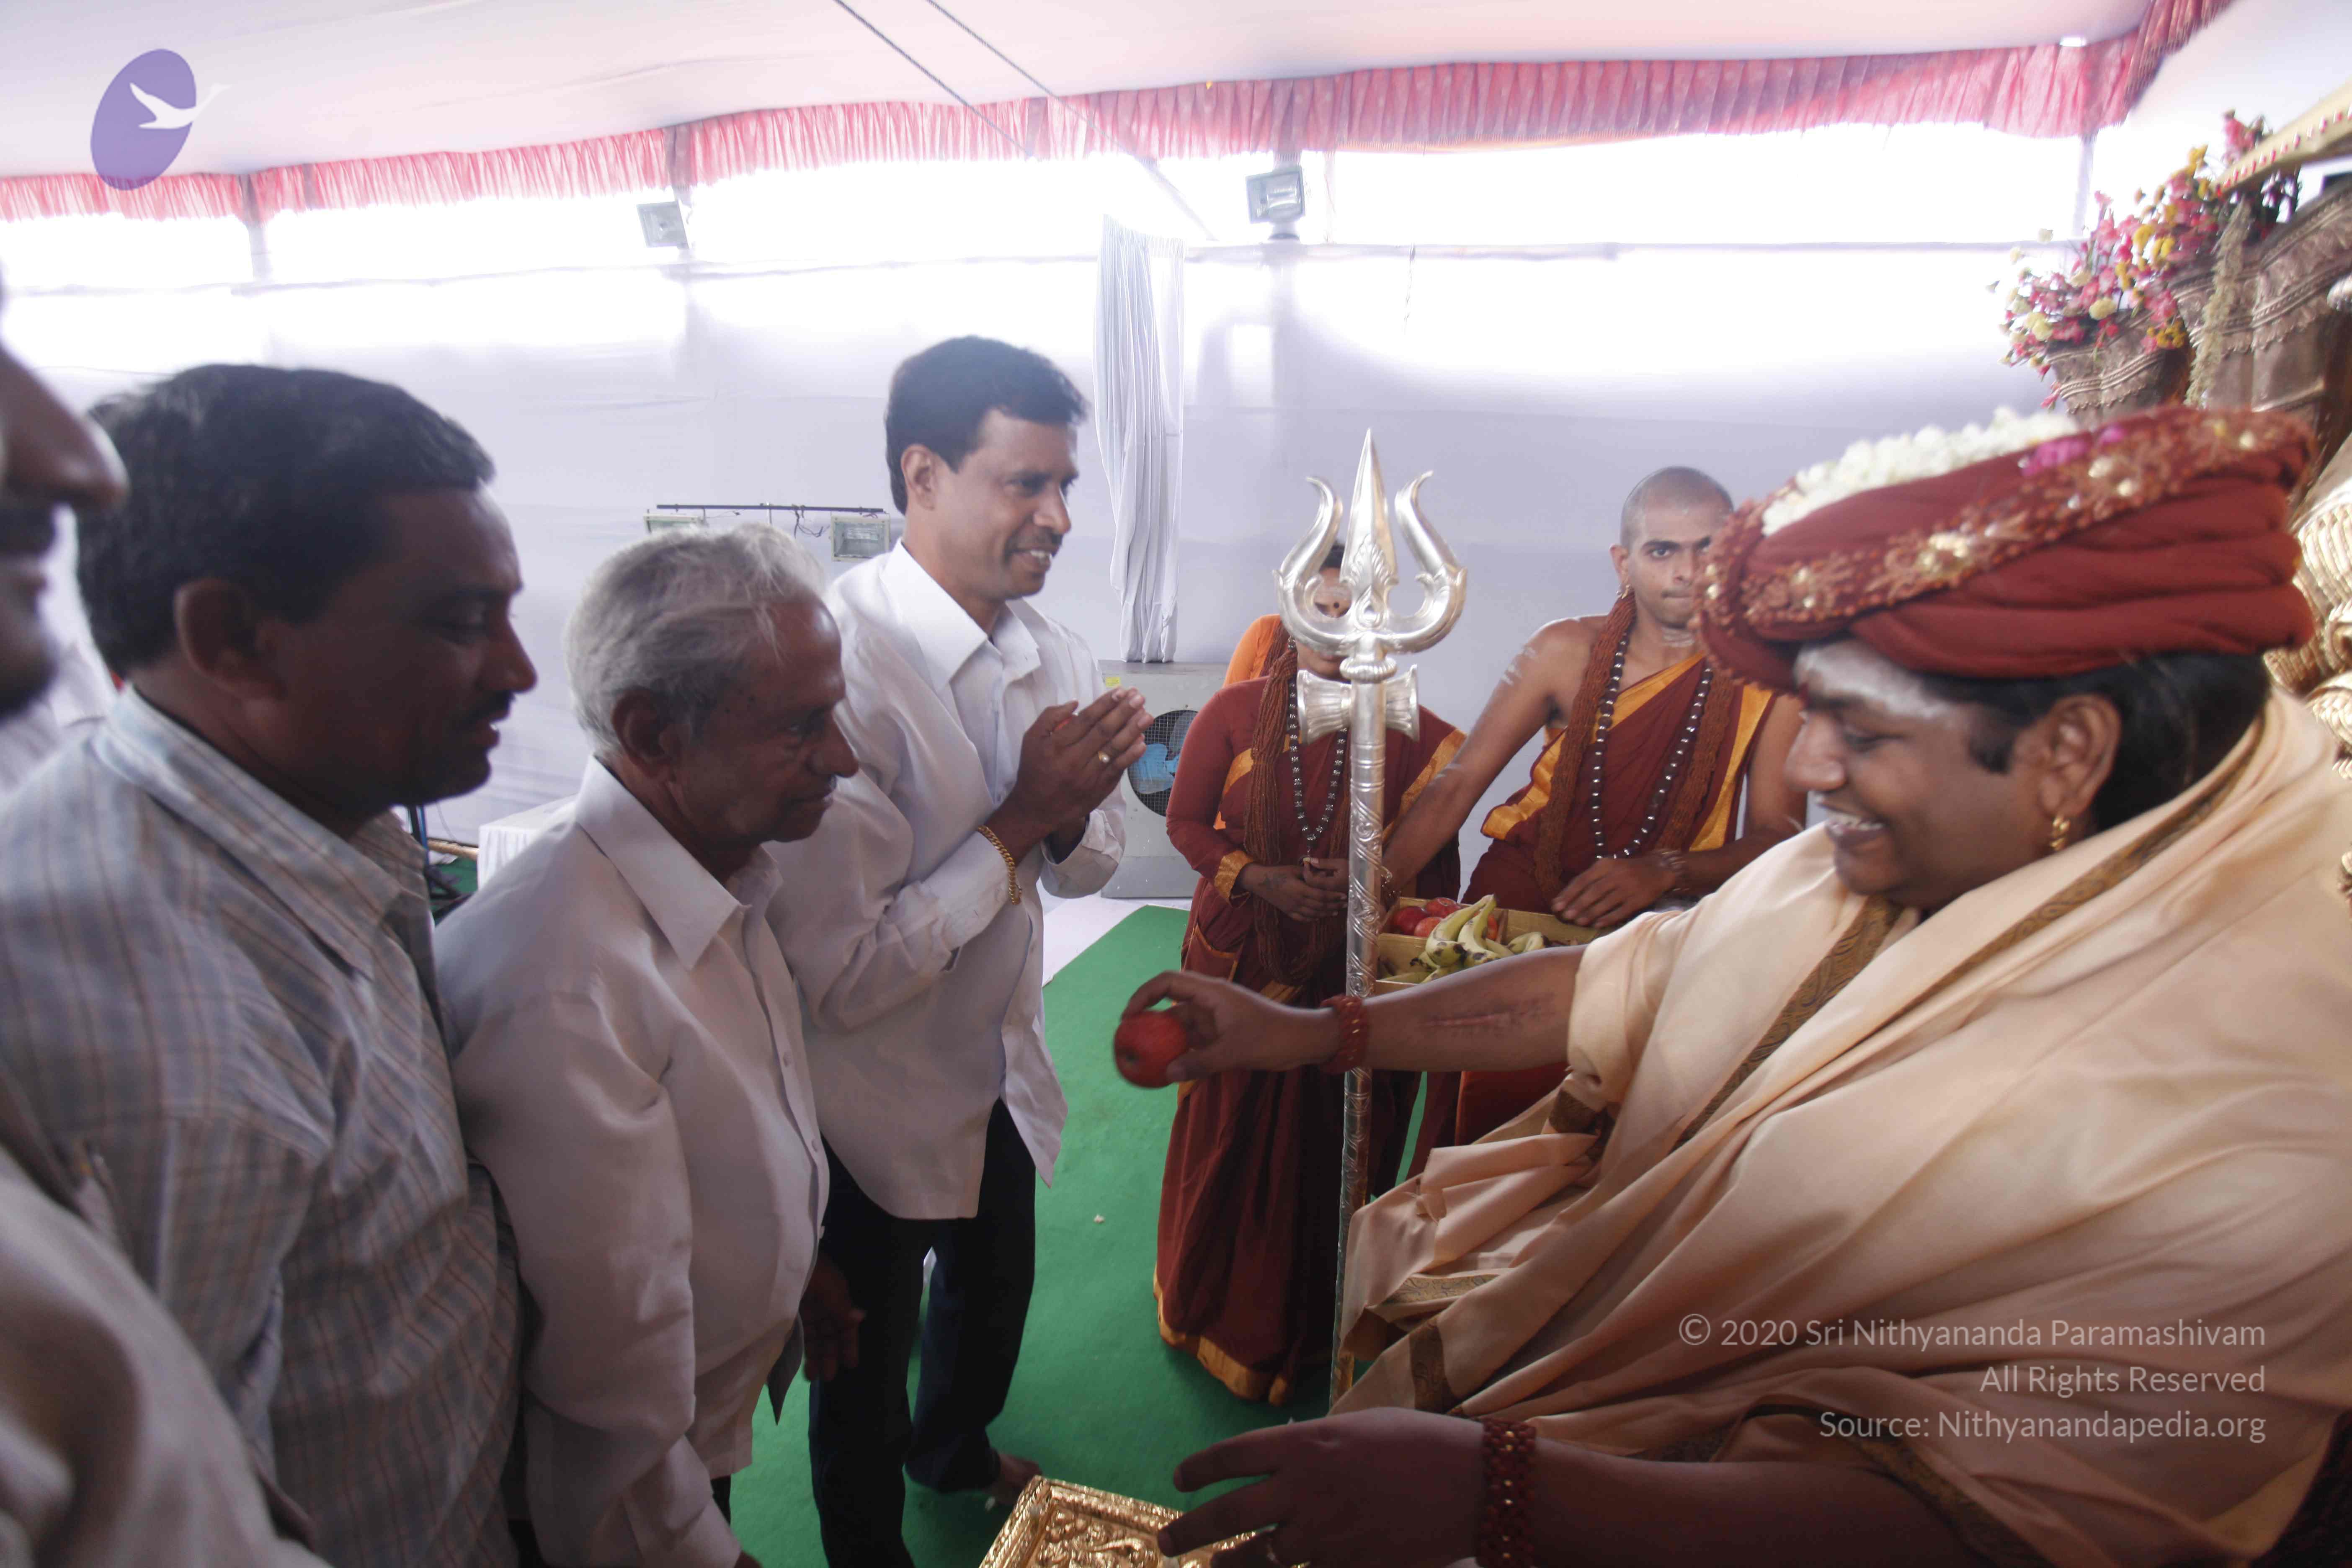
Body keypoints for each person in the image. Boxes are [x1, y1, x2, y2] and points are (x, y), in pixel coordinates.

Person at [1126, 406, 2352, 1568]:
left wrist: (1502, 1492)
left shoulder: (2273, 1117)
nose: (1811, 767)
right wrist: (1315, 1033)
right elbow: (1612, 984)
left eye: (1862, 731)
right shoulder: (1875, 865)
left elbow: (1989, 1518)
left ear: (2070, 753)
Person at [0, 364, 533, 1568]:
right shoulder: (161, 1021)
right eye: (460, 621)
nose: (518, 671)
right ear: (234, 640)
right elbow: (178, 1514)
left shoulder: (318, 814)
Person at [770, 335, 1149, 1567]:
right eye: (1024, 484)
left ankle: (954, 1450)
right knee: (861, 1367)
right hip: (863, 1101)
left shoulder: (1056, 651)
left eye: (1065, 486)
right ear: (923, 476)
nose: (1059, 518)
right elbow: (846, 979)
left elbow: (1093, 866)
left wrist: (1072, 814)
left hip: (997, 1060)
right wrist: (1023, 816)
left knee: (990, 1299)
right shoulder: (837, 667)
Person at [441, 525, 866, 1566]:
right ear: (654, 733)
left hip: (685, 1432)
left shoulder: (714, 868)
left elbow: (716, 1138)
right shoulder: (564, 976)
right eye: (802, 726)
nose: (844, 758)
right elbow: (602, 1401)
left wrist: (792, 1262)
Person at [0, 281, 325, 1565]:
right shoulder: (123, 967)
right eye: (457, 619)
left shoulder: (332, 852)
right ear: (233, 639)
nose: (72, 464)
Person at [1383, 466, 1804, 1150]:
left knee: (1616, 1138)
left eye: (1708, 548)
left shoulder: (1769, 673)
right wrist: (1368, 903)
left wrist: (1664, 870)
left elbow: (1779, 836)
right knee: (1482, 1117)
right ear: (1623, 563)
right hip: (1521, 905)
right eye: (1662, 551)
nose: (1688, 571)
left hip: (1662, 925)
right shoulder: (1564, 650)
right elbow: (1457, 786)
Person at [1155, 545, 1464, 1406]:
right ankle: (1211, 1308)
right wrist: (1261, 879)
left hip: (1346, 967)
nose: (1342, 629)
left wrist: (1373, 885)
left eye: (1361, 609)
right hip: (1245, 956)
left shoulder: (1416, 730)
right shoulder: (1233, 712)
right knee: (1230, 1133)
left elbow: (1438, 869)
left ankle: (1314, 1326)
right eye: (1326, 609)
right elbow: (1184, 824)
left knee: (1331, 1145)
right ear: (1294, 608)